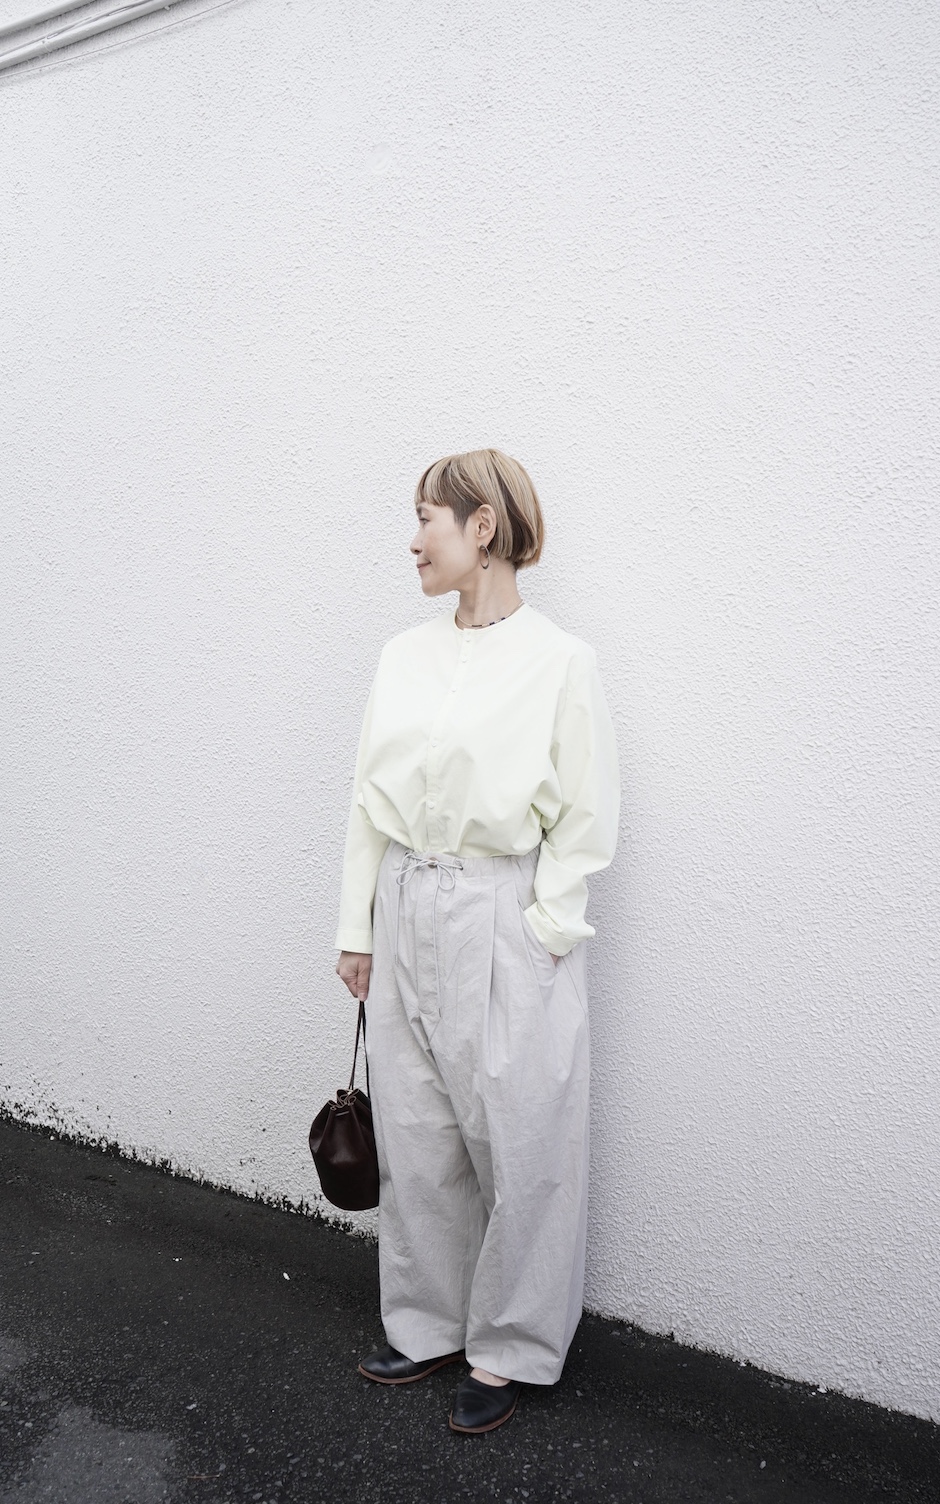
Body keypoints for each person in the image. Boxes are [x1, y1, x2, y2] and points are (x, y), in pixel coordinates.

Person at [334, 448, 620, 1434]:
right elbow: (368, 801)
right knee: (416, 1131)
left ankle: (512, 1345)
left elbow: (585, 815)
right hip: (407, 901)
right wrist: (357, 925)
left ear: (482, 528)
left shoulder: (560, 662)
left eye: (428, 518)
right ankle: (426, 1324)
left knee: (523, 1137)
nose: (413, 540)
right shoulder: (401, 656)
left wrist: (546, 927)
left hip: (503, 910)